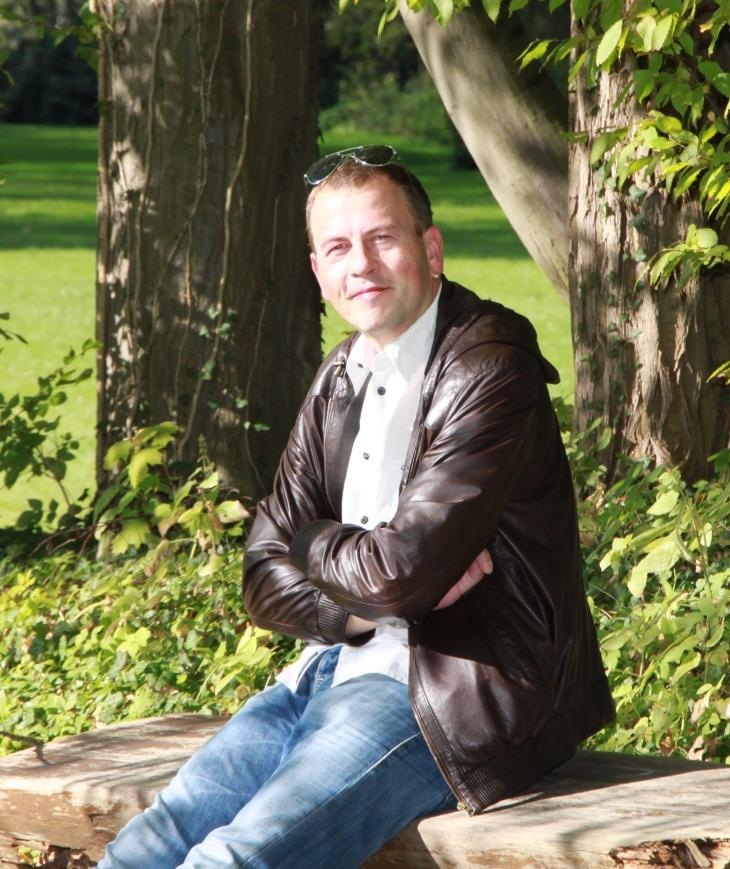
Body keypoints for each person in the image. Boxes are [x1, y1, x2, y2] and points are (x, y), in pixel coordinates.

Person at [98, 144, 614, 868]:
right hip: (322, 671)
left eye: (382, 238)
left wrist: (312, 541)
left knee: (234, 859)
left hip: (444, 697)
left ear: (430, 249)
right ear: (319, 272)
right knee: (148, 845)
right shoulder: (342, 374)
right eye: (339, 247)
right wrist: (360, 606)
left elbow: (394, 573)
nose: (362, 264)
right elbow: (261, 577)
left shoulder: (489, 367)